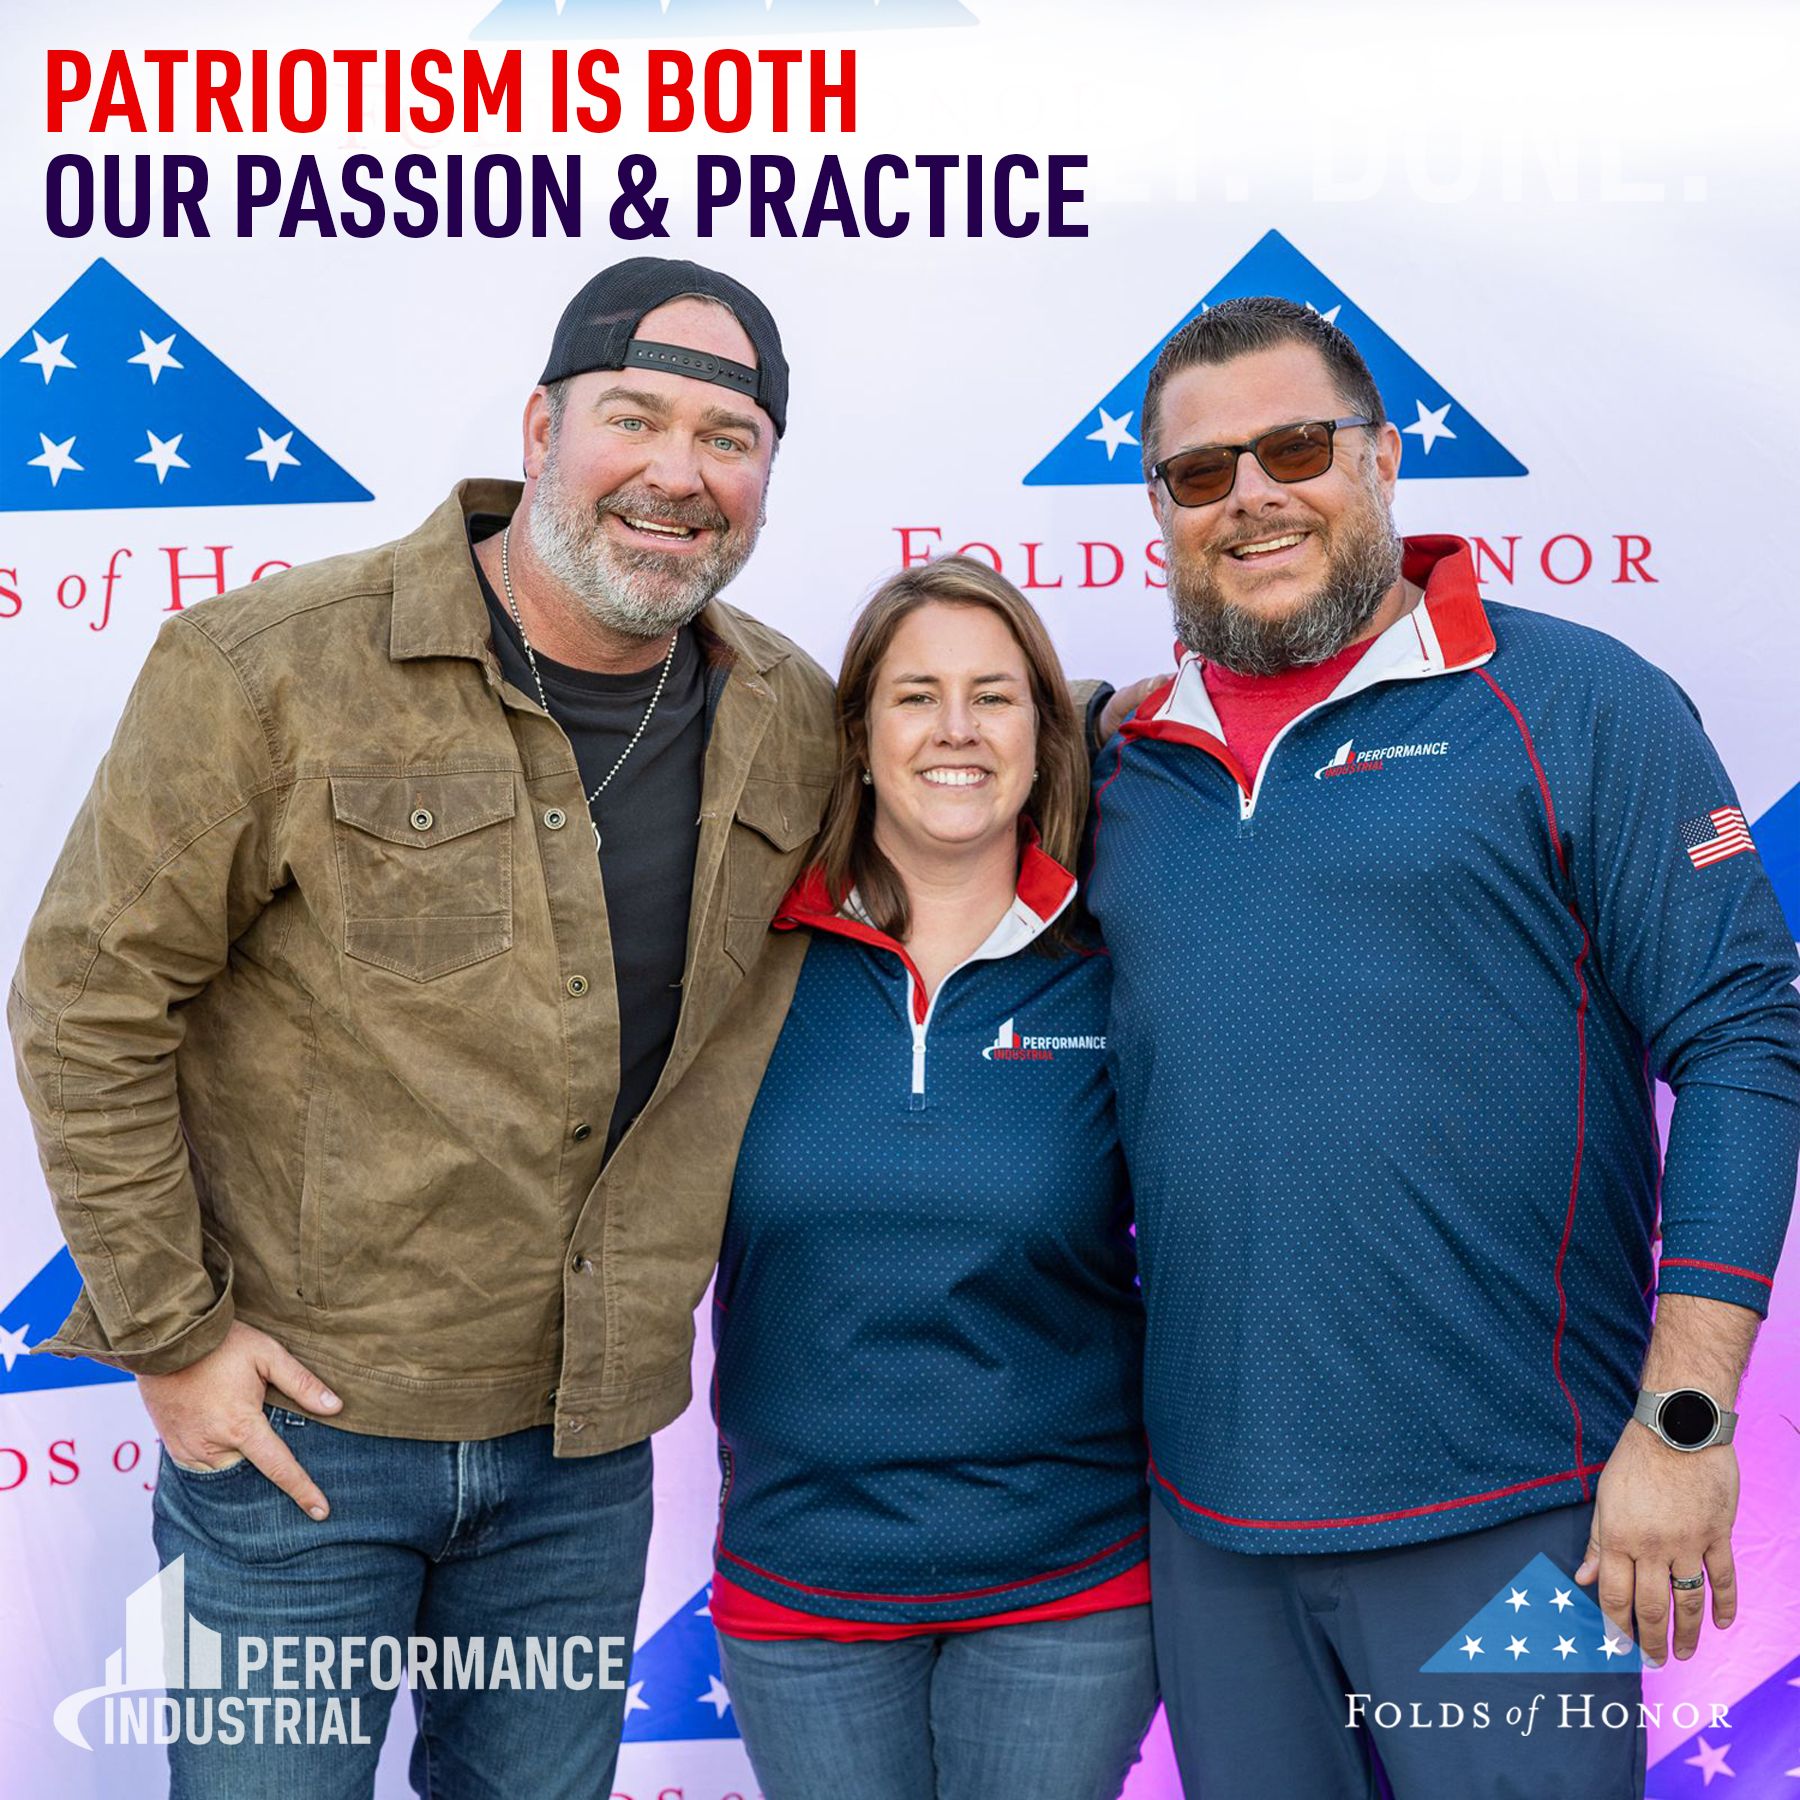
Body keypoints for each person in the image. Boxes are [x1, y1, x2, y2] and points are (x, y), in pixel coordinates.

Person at [7, 256, 836, 1797]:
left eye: (729, 437)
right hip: (300, 1451)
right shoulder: (273, 670)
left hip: (585, 1461)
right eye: (634, 418)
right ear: (539, 428)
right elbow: (87, 999)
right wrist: (176, 1339)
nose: (678, 472)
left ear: (768, 476)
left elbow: (969, 800)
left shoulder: (791, 716)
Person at [1083, 297, 1800, 1798]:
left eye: (1295, 447)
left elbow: (1745, 1037)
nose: (1254, 497)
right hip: (1212, 1536)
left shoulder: (1576, 700)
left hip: (1515, 1516)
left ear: (1387, 460)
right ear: (1160, 510)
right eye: (1202, 474)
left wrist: (1685, 1423)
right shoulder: (1112, 766)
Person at [703, 556, 1158, 1800]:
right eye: (916, 696)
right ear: (856, 737)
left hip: (1068, 1584)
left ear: (1044, 733)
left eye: (994, 696)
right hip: (804, 1576)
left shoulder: (1118, 967)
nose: (956, 729)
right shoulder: (748, 963)